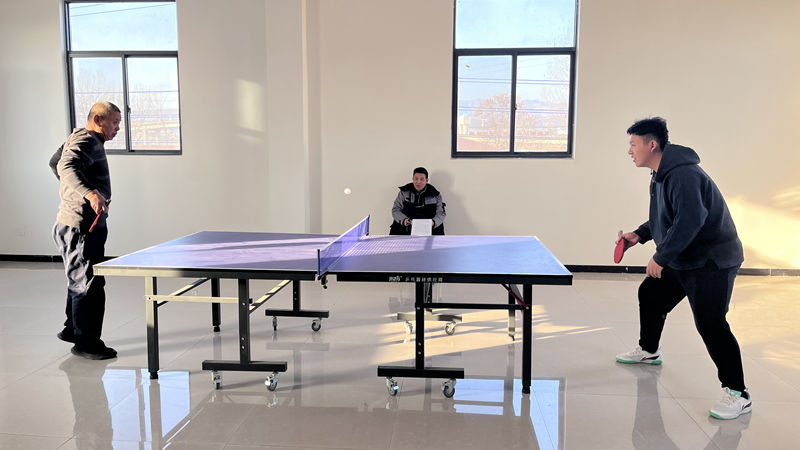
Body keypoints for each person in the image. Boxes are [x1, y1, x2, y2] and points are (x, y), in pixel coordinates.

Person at [615, 117, 750, 420]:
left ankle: (738, 393)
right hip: (687, 256)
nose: (629, 151)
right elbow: (667, 216)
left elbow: (690, 220)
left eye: (633, 144)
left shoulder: (683, 174)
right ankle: (649, 351)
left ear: (652, 145)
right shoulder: (660, 173)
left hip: (712, 261)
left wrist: (661, 257)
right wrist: (640, 234)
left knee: (711, 323)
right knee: (651, 293)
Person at [50, 101, 120, 360]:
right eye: (115, 122)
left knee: (80, 279)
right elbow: (65, 166)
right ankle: (86, 344)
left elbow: (54, 162)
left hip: (75, 223)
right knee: (88, 284)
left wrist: (74, 192)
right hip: (80, 226)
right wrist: (89, 193)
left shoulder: (78, 136)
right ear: (98, 120)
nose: (118, 128)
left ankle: (73, 329)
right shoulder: (87, 140)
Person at [389, 167, 446, 235]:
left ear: (426, 180)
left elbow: (441, 213)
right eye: (416, 179)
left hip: (429, 228)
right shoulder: (403, 192)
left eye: (422, 179)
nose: (418, 182)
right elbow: (396, 209)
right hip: (406, 227)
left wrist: (433, 222)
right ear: (412, 179)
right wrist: (404, 220)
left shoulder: (435, 195)